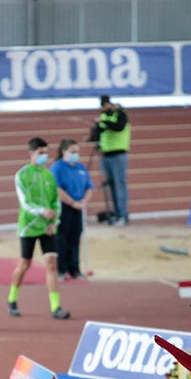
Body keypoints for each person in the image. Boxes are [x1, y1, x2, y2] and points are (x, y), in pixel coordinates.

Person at [7, 137, 71, 319]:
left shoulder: (49, 175)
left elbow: (55, 201)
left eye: (46, 152)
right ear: (31, 153)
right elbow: (25, 203)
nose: (44, 156)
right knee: (25, 264)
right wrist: (43, 212)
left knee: (51, 264)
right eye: (40, 153)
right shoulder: (22, 175)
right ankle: (12, 298)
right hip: (28, 226)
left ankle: (56, 307)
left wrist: (54, 222)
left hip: (48, 227)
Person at [50, 138, 94, 282]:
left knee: (75, 238)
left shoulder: (81, 168)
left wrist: (83, 202)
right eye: (73, 151)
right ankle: (61, 270)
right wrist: (72, 202)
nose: (76, 154)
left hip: (79, 207)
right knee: (62, 239)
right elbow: (57, 189)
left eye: (77, 152)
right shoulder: (57, 167)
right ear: (64, 151)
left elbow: (89, 187)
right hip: (64, 207)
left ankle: (75, 269)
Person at [94, 95, 131, 227]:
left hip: (119, 154)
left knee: (120, 185)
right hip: (106, 155)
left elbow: (118, 127)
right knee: (111, 186)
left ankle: (123, 215)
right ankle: (116, 213)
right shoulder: (103, 115)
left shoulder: (120, 113)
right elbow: (100, 131)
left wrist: (103, 122)